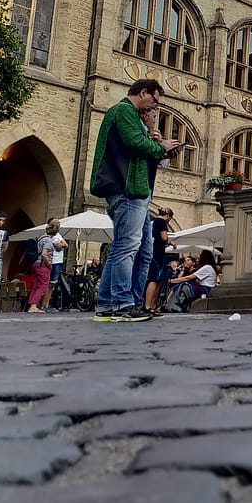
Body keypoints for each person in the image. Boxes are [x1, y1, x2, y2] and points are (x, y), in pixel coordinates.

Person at [90, 79, 180, 322]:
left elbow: (139, 150)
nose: (154, 106)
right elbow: (135, 143)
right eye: (154, 100)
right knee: (126, 247)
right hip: (127, 190)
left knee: (136, 248)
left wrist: (158, 147)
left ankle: (109, 304)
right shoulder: (123, 110)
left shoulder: (130, 114)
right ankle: (121, 303)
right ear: (143, 92)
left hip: (136, 191)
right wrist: (161, 147)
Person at [144, 207, 175, 315]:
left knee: (157, 280)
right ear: (167, 215)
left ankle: (152, 306)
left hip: (153, 251)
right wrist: (170, 242)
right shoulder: (161, 222)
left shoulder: (153, 222)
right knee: (154, 279)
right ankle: (148, 305)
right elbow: (164, 237)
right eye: (170, 219)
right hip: (158, 253)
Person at [27, 221, 58, 314]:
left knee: (36, 285)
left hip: (34, 264)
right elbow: (44, 254)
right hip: (42, 265)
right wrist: (49, 264)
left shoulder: (40, 239)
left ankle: (32, 304)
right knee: (43, 286)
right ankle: (33, 306)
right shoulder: (49, 241)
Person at [40, 217, 67, 313]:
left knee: (52, 284)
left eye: (59, 223)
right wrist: (61, 245)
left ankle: (46, 304)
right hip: (52, 261)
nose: (58, 225)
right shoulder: (50, 235)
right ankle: (44, 305)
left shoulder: (58, 235)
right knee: (48, 284)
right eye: (55, 224)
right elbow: (59, 247)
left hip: (58, 261)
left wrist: (62, 244)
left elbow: (65, 245)